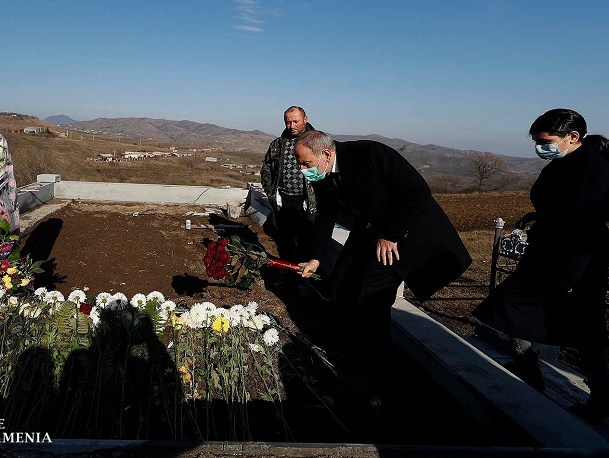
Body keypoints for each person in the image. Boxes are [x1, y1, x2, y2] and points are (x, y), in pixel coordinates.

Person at [473, 108, 609, 421]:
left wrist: (569, 277)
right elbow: (557, 207)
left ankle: (595, 391)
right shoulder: (562, 163)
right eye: (536, 141)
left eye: (545, 141)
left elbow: (584, 223)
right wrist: (538, 218)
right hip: (551, 252)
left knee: (580, 325)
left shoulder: (594, 170)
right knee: (581, 325)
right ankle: (533, 367)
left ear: (572, 137)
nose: (539, 148)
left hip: (576, 260)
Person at [294, 130, 472, 369]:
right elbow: (326, 214)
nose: (304, 170)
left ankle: (377, 362)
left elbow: (416, 191)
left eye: (306, 163)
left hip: (401, 234)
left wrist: (390, 235)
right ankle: (338, 346)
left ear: (326, 154)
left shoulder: (371, 154)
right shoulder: (324, 173)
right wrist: (316, 258)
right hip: (368, 232)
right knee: (340, 283)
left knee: (372, 296)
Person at [260, 106, 317, 289]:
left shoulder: (318, 142)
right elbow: (266, 168)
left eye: (296, 121)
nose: (291, 125)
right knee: (285, 243)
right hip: (284, 201)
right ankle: (287, 277)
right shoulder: (278, 144)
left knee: (306, 244)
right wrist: (271, 192)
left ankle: (304, 282)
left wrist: (315, 197)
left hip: (307, 203)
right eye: (288, 122)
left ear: (305, 119)